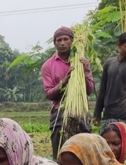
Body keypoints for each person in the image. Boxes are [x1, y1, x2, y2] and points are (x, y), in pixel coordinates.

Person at [41, 26, 95, 157]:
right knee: (60, 155)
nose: (62, 43)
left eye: (66, 39)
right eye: (59, 40)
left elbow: (89, 90)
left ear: (72, 41)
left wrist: (86, 69)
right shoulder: (48, 66)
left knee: (84, 155)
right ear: (54, 43)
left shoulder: (81, 62)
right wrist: (64, 82)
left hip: (81, 112)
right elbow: (49, 94)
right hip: (59, 114)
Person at [93, 31, 126, 131]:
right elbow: (102, 90)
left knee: (124, 145)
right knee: (107, 145)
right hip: (108, 115)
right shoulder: (109, 63)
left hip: (125, 117)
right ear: (119, 46)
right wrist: (97, 113)